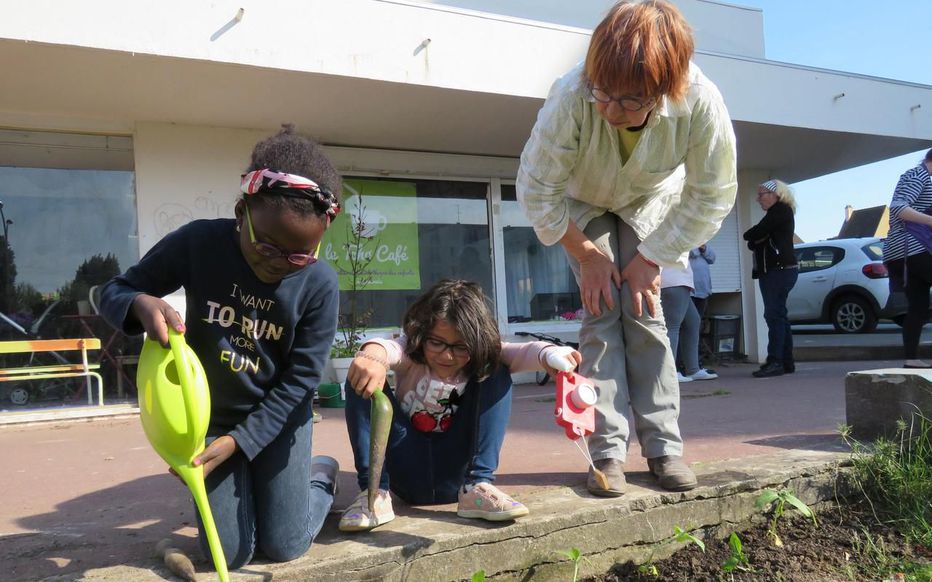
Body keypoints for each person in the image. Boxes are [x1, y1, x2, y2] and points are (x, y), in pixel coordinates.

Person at [516, 0, 737, 497]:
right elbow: (535, 191)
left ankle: (664, 448)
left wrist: (652, 259)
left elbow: (712, 195)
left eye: (630, 100)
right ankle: (607, 452)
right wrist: (588, 256)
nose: (610, 111)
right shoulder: (573, 92)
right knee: (601, 312)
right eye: (603, 93)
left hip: (650, 202)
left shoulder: (701, 101)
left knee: (645, 312)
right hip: (581, 201)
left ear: (665, 90)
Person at [99, 126, 342, 569]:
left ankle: (320, 476)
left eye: (299, 255)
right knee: (227, 554)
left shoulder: (320, 283)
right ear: (241, 212)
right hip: (209, 421)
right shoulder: (199, 243)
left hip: (280, 418)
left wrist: (242, 441)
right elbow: (114, 290)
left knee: (286, 545)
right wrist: (138, 303)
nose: (278, 262)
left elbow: (301, 382)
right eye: (266, 245)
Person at [339, 279, 581, 531]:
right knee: (361, 376)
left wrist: (552, 354)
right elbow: (387, 348)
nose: (447, 355)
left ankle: (478, 486)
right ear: (421, 334)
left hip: (456, 471)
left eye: (460, 347)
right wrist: (372, 356)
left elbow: (524, 351)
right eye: (436, 342)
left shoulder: (481, 356)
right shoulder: (411, 352)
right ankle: (373, 494)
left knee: (497, 368)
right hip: (406, 462)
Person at [882, 148, 932, 369]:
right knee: (918, 306)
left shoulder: (920, 176)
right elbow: (898, 207)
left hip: (903, 251)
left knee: (918, 307)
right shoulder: (918, 175)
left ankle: (911, 359)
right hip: (911, 248)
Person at [743, 179, 798, 378]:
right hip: (779, 270)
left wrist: (758, 238)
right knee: (779, 315)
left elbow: (752, 234)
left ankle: (775, 361)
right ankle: (786, 362)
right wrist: (758, 238)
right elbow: (753, 240)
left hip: (778, 271)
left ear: (775, 195)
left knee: (774, 315)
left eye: (761, 195)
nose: (758, 199)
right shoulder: (779, 214)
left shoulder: (779, 211)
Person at [660, 264, 717, 383]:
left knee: (692, 321)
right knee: (672, 327)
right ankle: (670, 372)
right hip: (674, 281)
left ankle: (693, 369)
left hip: (678, 280)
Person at [688, 244, 718, 376]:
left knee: (698, 327)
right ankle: (685, 364)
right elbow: (691, 253)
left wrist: (703, 248)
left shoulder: (702, 240)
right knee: (688, 327)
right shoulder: (685, 240)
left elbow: (712, 258)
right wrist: (697, 247)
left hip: (703, 290)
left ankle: (697, 363)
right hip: (689, 291)